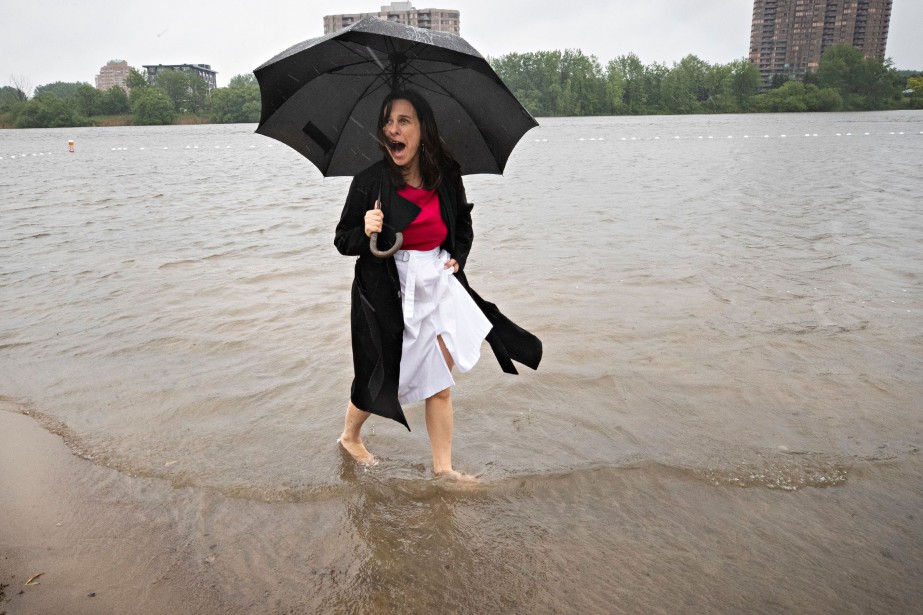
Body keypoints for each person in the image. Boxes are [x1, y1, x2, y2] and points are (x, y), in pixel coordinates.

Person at [334, 89, 542, 480]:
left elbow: (462, 226)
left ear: (422, 129)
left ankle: (443, 470)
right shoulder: (370, 181)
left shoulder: (446, 174)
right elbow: (343, 240)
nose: (393, 130)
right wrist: (365, 231)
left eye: (404, 121)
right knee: (383, 374)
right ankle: (350, 435)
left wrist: (458, 255)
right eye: (388, 122)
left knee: (439, 382)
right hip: (388, 287)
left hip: (439, 284)